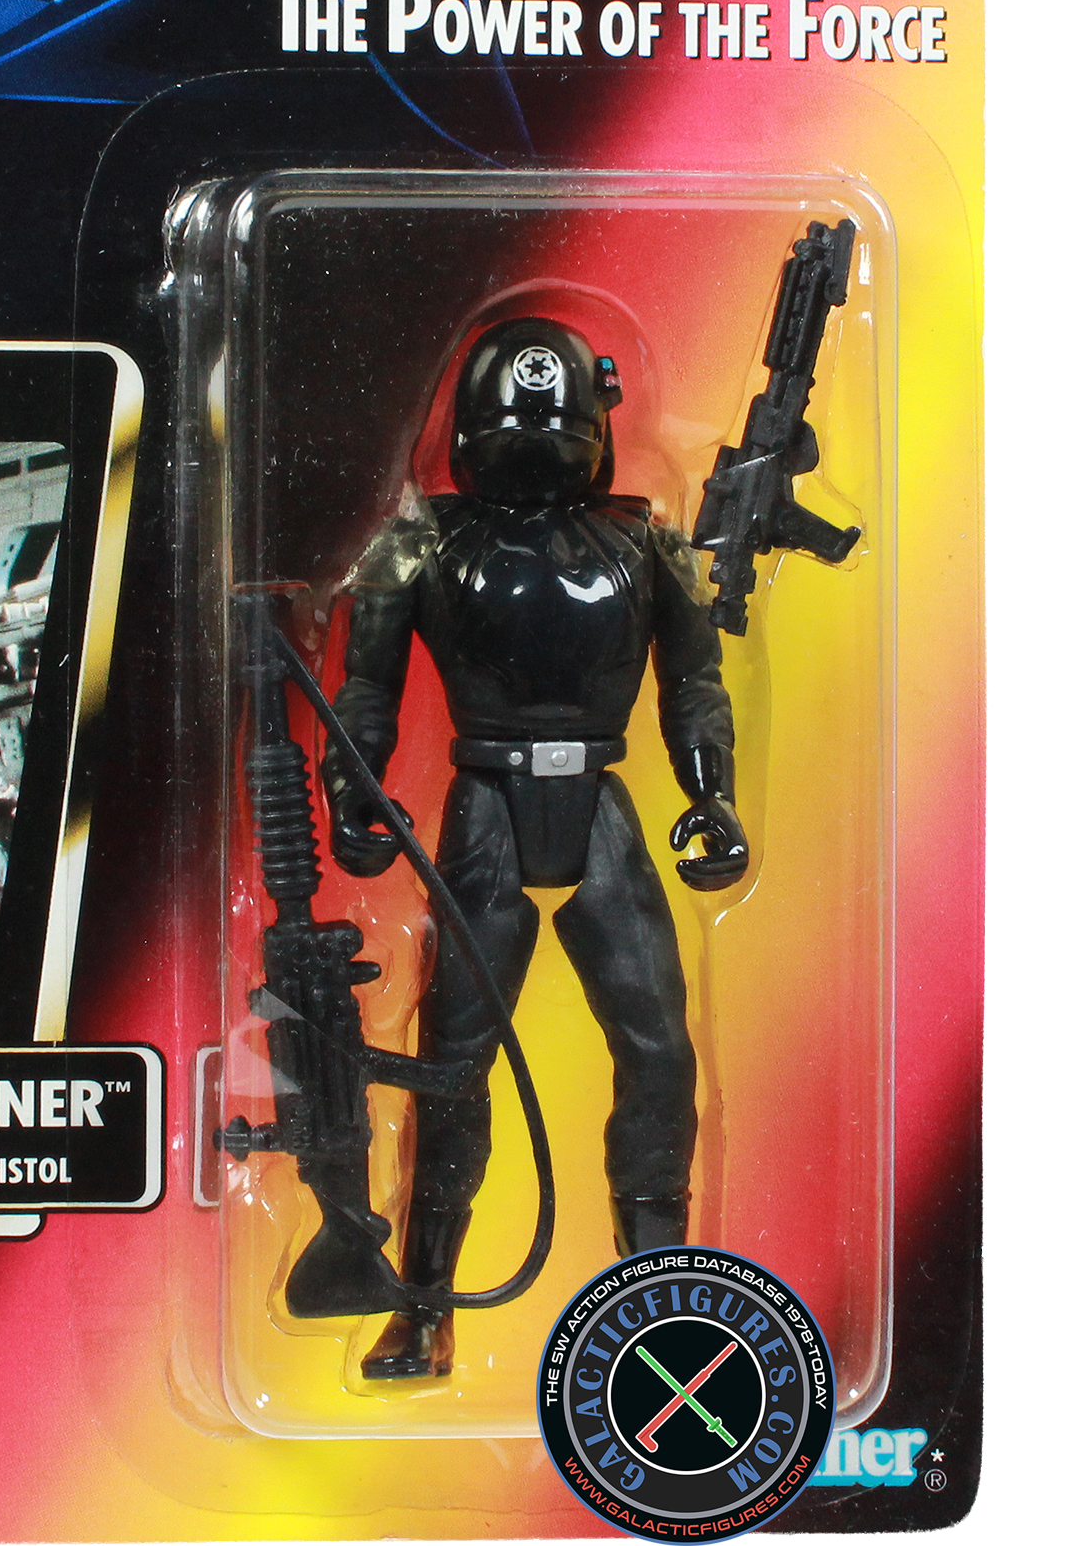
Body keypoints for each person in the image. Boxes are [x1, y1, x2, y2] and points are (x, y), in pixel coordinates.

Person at [321, 320, 750, 1381]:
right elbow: (366, 687)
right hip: (489, 807)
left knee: (656, 1052)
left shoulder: (644, 543)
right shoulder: (420, 543)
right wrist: (352, 785)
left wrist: (713, 794)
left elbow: (693, 684)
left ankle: (658, 1294)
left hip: (591, 803)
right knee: (454, 1064)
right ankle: (425, 1305)